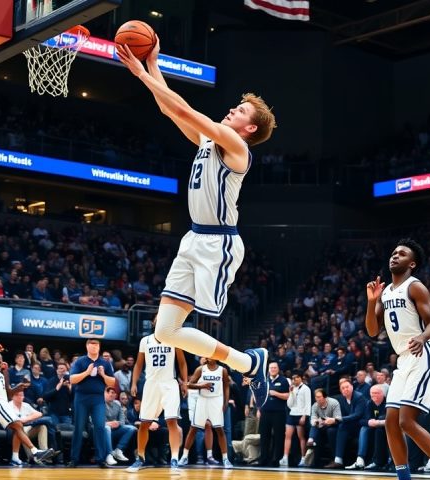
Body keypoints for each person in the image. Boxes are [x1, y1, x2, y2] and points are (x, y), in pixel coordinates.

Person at [116, 36, 276, 409]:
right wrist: (153, 65)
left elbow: (184, 110)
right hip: (193, 239)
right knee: (164, 331)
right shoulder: (209, 140)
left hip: (218, 244)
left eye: (240, 111)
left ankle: (248, 364)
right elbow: (170, 110)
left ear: (250, 129)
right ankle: (249, 363)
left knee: (202, 321)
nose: (232, 110)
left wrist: (141, 73)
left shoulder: (237, 147)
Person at [366, 239, 430, 480]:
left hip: (424, 354)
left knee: (406, 422)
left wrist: (421, 337)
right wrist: (371, 302)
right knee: (391, 423)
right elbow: (372, 331)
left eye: (401, 254)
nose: (395, 256)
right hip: (404, 360)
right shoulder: (385, 293)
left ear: (412, 263)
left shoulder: (415, 287)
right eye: (393, 252)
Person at [0, 343, 55, 466]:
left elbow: (9, 393)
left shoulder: (1, 374)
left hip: (3, 402)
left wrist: (18, 387)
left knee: (18, 426)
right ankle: (35, 452)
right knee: (18, 425)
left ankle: (15, 457)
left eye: (0, 356)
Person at [127, 331, 188, 473]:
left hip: (169, 383)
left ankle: (174, 460)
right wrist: (134, 383)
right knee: (144, 423)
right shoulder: (145, 340)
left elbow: (182, 362)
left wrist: (185, 382)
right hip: (151, 384)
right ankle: (140, 458)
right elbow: (138, 364)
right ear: (154, 323)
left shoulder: (174, 339)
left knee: (172, 421)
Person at [68, 339, 116, 468]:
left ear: (99, 347)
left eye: (96, 345)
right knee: (79, 428)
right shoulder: (80, 361)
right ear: (87, 346)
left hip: (98, 399)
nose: (94, 347)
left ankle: (101, 459)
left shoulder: (105, 363)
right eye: (91, 344)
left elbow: (112, 382)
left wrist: (103, 375)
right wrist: (87, 372)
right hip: (81, 398)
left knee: (100, 427)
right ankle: (74, 459)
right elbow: (72, 379)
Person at [179, 358, 232, 468]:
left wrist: (226, 402)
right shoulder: (200, 369)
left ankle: (225, 458)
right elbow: (189, 384)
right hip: (202, 399)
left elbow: (226, 386)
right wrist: (201, 385)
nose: (209, 356)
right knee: (193, 428)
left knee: (220, 429)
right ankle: (184, 456)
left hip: (216, 399)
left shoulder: (222, 370)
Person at [279, 370, 311, 468]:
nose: (295, 379)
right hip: (292, 413)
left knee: (301, 437)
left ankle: (303, 458)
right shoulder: (293, 388)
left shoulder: (306, 388)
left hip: (301, 414)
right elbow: (289, 404)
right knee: (287, 435)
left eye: (297, 377)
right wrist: (291, 392)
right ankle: (285, 457)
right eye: (293, 378)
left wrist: (304, 416)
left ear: (301, 378)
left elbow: (308, 403)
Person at [103, 386, 136, 465]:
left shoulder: (117, 404)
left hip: (115, 429)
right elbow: (94, 421)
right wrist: (108, 424)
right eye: (109, 392)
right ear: (104, 393)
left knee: (132, 428)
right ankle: (109, 454)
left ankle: (118, 450)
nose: (111, 394)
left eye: (113, 393)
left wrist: (117, 423)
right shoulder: (99, 404)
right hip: (102, 430)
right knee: (107, 428)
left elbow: (122, 420)